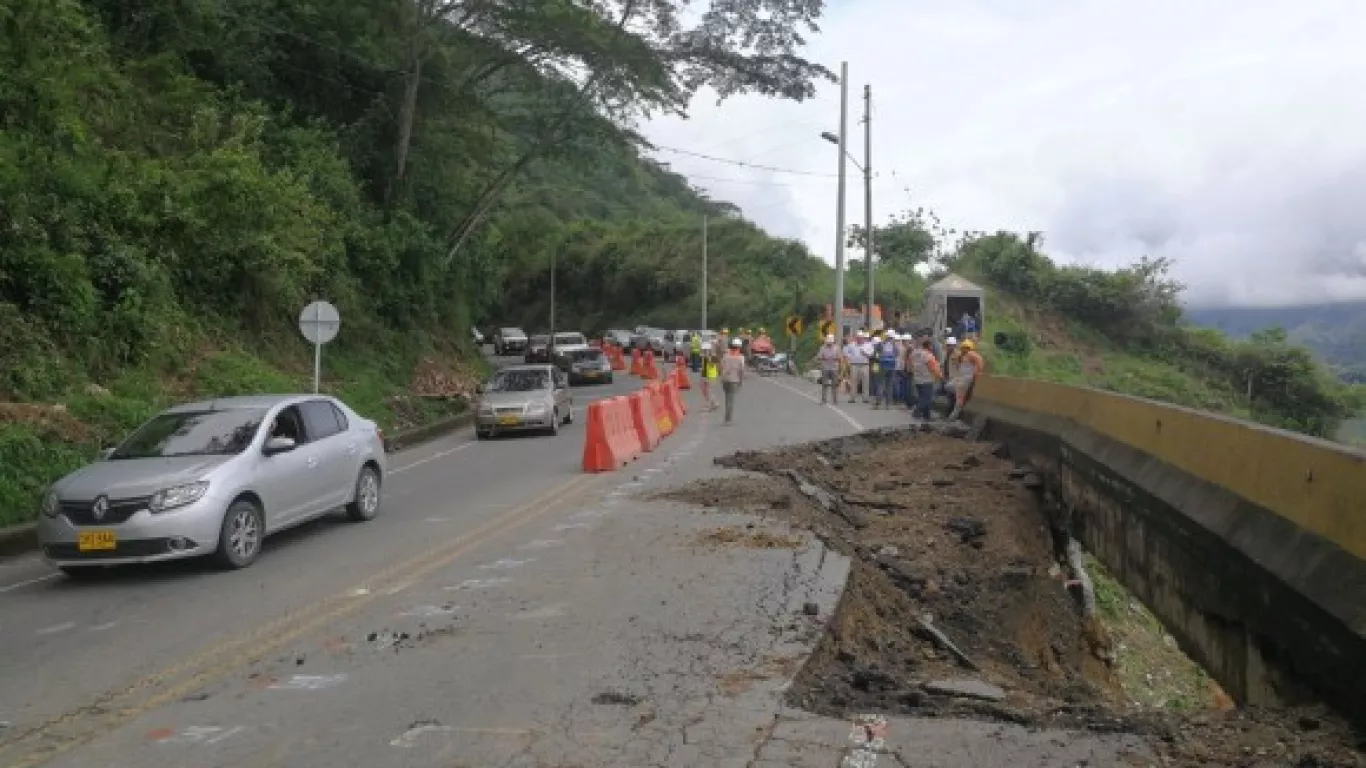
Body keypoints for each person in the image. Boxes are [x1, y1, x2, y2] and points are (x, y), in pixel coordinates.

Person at [947, 339, 985, 420]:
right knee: (949, 386)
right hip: (961, 378)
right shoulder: (963, 356)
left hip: (966, 379)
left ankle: (953, 416)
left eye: (965, 347)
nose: (963, 349)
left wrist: (975, 374)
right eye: (963, 347)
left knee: (958, 396)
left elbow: (980, 364)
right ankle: (961, 399)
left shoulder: (972, 354)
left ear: (969, 348)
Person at [909, 338, 943, 420]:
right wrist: (940, 376)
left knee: (922, 396)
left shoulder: (914, 353)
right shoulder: (928, 356)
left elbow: (909, 363)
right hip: (927, 379)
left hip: (917, 378)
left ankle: (927, 416)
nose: (932, 347)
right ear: (929, 346)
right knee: (927, 398)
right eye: (931, 346)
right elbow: (934, 368)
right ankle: (917, 411)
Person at [720, 338, 746, 424]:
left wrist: (722, 377)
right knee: (730, 400)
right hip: (734, 381)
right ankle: (728, 419)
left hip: (725, 380)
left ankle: (727, 418)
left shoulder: (725, 356)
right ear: (739, 347)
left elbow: (721, 367)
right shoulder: (741, 357)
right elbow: (741, 371)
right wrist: (741, 381)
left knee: (727, 398)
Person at [813, 334, 842, 405]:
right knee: (824, 384)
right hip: (825, 367)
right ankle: (823, 400)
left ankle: (835, 400)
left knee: (834, 384)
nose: (829, 344)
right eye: (828, 342)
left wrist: (835, 358)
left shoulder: (837, 348)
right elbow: (818, 357)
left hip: (834, 368)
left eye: (830, 343)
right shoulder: (822, 348)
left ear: (833, 342)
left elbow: (840, 357)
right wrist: (823, 358)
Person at [874, 331, 900, 409]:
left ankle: (878, 403)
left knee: (881, 384)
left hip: (882, 365)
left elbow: (876, 353)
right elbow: (897, 354)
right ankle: (888, 404)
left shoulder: (881, 344)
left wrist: (879, 358)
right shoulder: (894, 345)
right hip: (892, 366)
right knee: (889, 386)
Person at [844, 331, 871, 403]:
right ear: (856, 338)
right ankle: (852, 397)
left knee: (865, 381)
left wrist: (865, 353)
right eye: (858, 338)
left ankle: (865, 398)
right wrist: (851, 358)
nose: (859, 339)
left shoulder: (868, 345)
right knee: (853, 381)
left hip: (865, 365)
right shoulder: (852, 345)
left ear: (863, 338)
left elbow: (871, 355)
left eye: (861, 338)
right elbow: (846, 353)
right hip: (854, 365)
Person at [699, 342, 719, 411]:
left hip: (711, 376)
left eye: (705, 350)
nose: (704, 351)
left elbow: (712, 365)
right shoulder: (703, 356)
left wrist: (708, 357)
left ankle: (709, 406)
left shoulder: (713, 356)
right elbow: (703, 366)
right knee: (704, 391)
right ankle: (715, 403)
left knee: (709, 391)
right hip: (704, 375)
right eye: (703, 350)